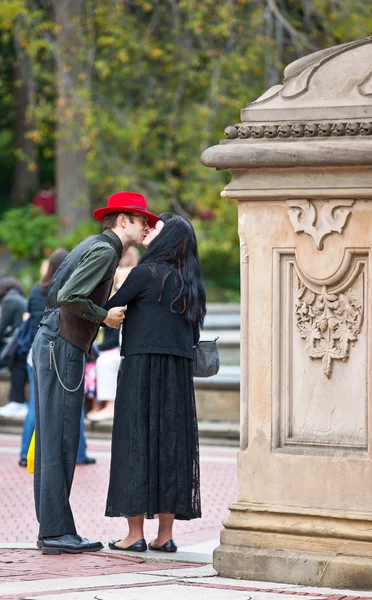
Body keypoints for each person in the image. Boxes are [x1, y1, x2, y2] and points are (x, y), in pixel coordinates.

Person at [32, 191, 158, 556]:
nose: (145, 225)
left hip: (53, 342)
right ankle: (56, 533)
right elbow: (70, 294)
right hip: (62, 346)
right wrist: (104, 315)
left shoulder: (94, 244)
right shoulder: (105, 251)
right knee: (60, 441)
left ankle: (53, 530)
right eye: (140, 219)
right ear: (122, 221)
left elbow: (60, 292)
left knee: (53, 441)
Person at [105, 214, 206, 553]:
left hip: (142, 367)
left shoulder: (144, 273)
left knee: (135, 443)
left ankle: (134, 535)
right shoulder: (191, 283)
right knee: (172, 448)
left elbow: (109, 309)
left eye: (157, 227)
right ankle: (165, 534)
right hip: (177, 375)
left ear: (168, 237)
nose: (149, 229)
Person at [19, 249, 96, 467]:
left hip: (35, 352)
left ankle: (26, 452)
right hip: (59, 351)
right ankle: (79, 453)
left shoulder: (36, 290)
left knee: (36, 404)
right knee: (74, 401)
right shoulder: (69, 291)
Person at [87, 249, 139, 422]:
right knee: (94, 361)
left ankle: (108, 406)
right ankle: (97, 405)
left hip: (123, 347)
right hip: (114, 345)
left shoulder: (132, 293)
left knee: (103, 360)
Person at [0, 277, 28, 418]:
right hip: (24, 344)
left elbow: (1, 327)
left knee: (16, 363)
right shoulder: (19, 298)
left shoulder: (9, 300)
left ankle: (16, 402)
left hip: (18, 347)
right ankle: (17, 402)